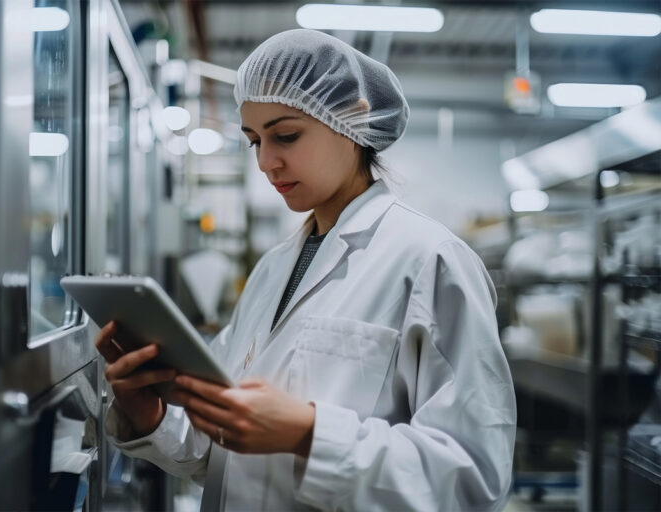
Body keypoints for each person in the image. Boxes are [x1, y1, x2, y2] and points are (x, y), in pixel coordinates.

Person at [97, 28, 516, 511]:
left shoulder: (431, 260)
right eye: (254, 141)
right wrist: (149, 415)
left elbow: (471, 478)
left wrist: (309, 434)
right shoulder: (273, 270)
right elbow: (220, 447)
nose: (267, 163)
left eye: (286, 135)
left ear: (353, 117)